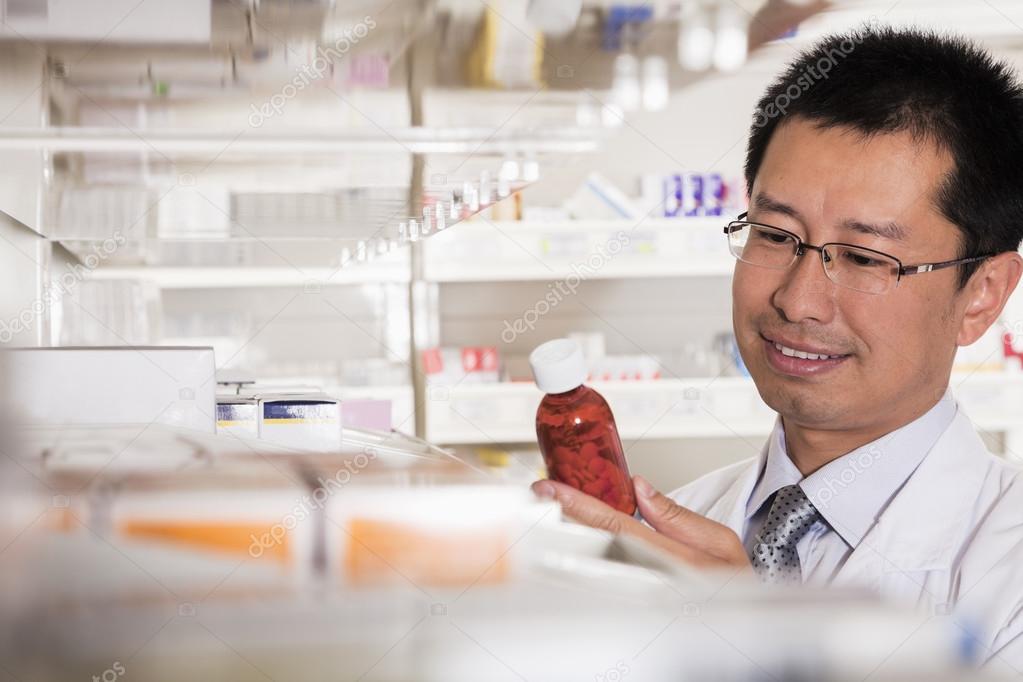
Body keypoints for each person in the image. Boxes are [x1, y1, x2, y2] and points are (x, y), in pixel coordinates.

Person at [533, 25, 1023, 670]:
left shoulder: (1006, 567)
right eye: (774, 234)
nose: (798, 301)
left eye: (864, 256)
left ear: (982, 294)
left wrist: (750, 642)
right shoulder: (672, 531)